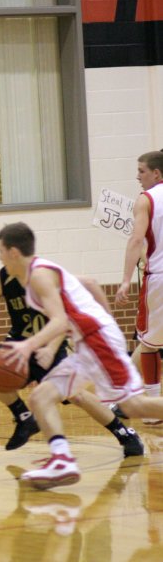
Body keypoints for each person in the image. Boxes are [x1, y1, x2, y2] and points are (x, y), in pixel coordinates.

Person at [0, 222, 163, 489]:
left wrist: (29, 346)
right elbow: (88, 284)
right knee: (41, 397)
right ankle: (62, 460)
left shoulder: (39, 275)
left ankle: (61, 459)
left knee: (134, 406)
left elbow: (59, 319)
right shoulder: (38, 274)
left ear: (13, 252)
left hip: (97, 340)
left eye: (0, 252)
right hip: (89, 342)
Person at [0, 266, 143, 456]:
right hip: (20, 342)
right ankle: (24, 418)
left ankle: (124, 434)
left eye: (3, 252)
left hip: (50, 342)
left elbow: (63, 318)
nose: (2, 258)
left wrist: (50, 348)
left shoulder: (43, 278)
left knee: (76, 395)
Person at [115, 150, 163, 425]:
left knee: (148, 344)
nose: (137, 176)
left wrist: (124, 280)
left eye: (142, 171)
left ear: (156, 173)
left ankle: (151, 410)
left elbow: (136, 241)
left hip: (159, 278)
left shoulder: (146, 200)